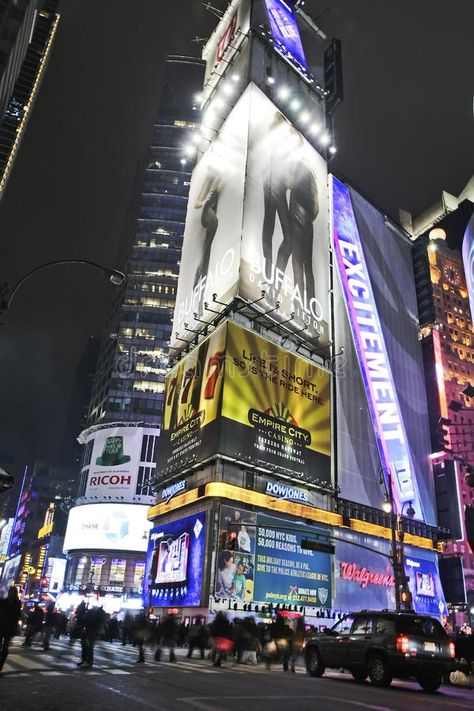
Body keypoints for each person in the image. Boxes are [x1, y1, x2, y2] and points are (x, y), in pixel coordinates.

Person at [261, 112, 292, 279]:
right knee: (271, 228)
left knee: (272, 228)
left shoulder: (283, 145)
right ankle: (268, 273)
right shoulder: (278, 137)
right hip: (273, 184)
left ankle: (269, 273)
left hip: (272, 183)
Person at [193, 158, 222, 289]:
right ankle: (199, 269)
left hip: (212, 212)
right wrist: (205, 201)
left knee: (208, 250)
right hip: (207, 213)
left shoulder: (221, 177)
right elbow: (197, 203)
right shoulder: (210, 179)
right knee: (215, 223)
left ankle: (200, 278)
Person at [0, 587, 22, 672]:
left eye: (13, 592)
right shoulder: (3, 602)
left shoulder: (17, 603)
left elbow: (17, 616)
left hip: (9, 628)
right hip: (2, 626)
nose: (11, 594)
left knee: (5, 648)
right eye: (10, 592)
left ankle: (0, 666)